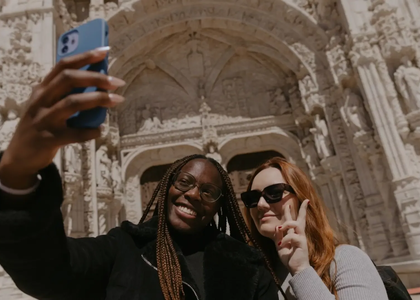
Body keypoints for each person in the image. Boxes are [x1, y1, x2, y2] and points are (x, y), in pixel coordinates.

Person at [0, 48, 278, 300]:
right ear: (166, 186)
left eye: (208, 192)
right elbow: (48, 272)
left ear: (220, 204)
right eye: (185, 182)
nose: (193, 194)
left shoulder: (248, 266)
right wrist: (17, 178)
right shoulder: (124, 248)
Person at [241, 157, 389, 300]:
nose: (260, 204)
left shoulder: (346, 260)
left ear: (301, 198)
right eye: (252, 198)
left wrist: (301, 270)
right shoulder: (253, 274)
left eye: (274, 192)